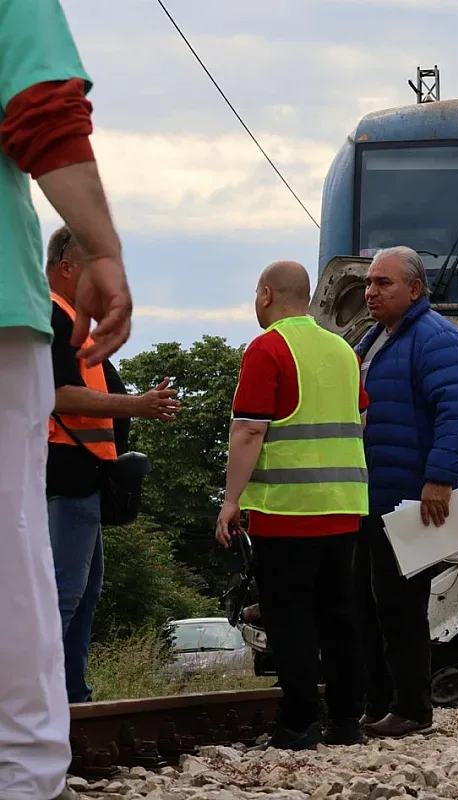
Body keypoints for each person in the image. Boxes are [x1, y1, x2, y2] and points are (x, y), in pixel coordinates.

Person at [0, 3, 133, 798]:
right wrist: (106, 248)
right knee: (16, 555)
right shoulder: (53, 315)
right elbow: (45, 113)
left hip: (84, 480)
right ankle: (22, 774)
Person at [215, 261, 371, 750]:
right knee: (340, 616)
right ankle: (347, 722)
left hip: (286, 510)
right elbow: (361, 417)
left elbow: (250, 429)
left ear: (266, 294)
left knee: (291, 617)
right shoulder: (343, 349)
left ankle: (299, 724)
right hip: (344, 505)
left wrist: (231, 500)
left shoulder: (267, 348)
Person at [44, 225, 180, 705]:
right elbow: (59, 394)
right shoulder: (54, 318)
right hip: (66, 476)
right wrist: (140, 405)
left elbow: (106, 395)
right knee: (63, 596)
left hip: (84, 479)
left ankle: (71, 697)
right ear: (66, 267)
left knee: (82, 596)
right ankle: (35, 702)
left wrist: (143, 403)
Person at [355, 246, 458, 738]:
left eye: (383, 283)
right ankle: (379, 703)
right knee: (371, 606)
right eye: (369, 282)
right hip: (375, 497)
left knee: (400, 610)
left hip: (410, 499)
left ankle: (413, 708)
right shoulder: (377, 339)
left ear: (415, 288)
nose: (370, 291)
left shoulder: (435, 338)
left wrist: (440, 478)